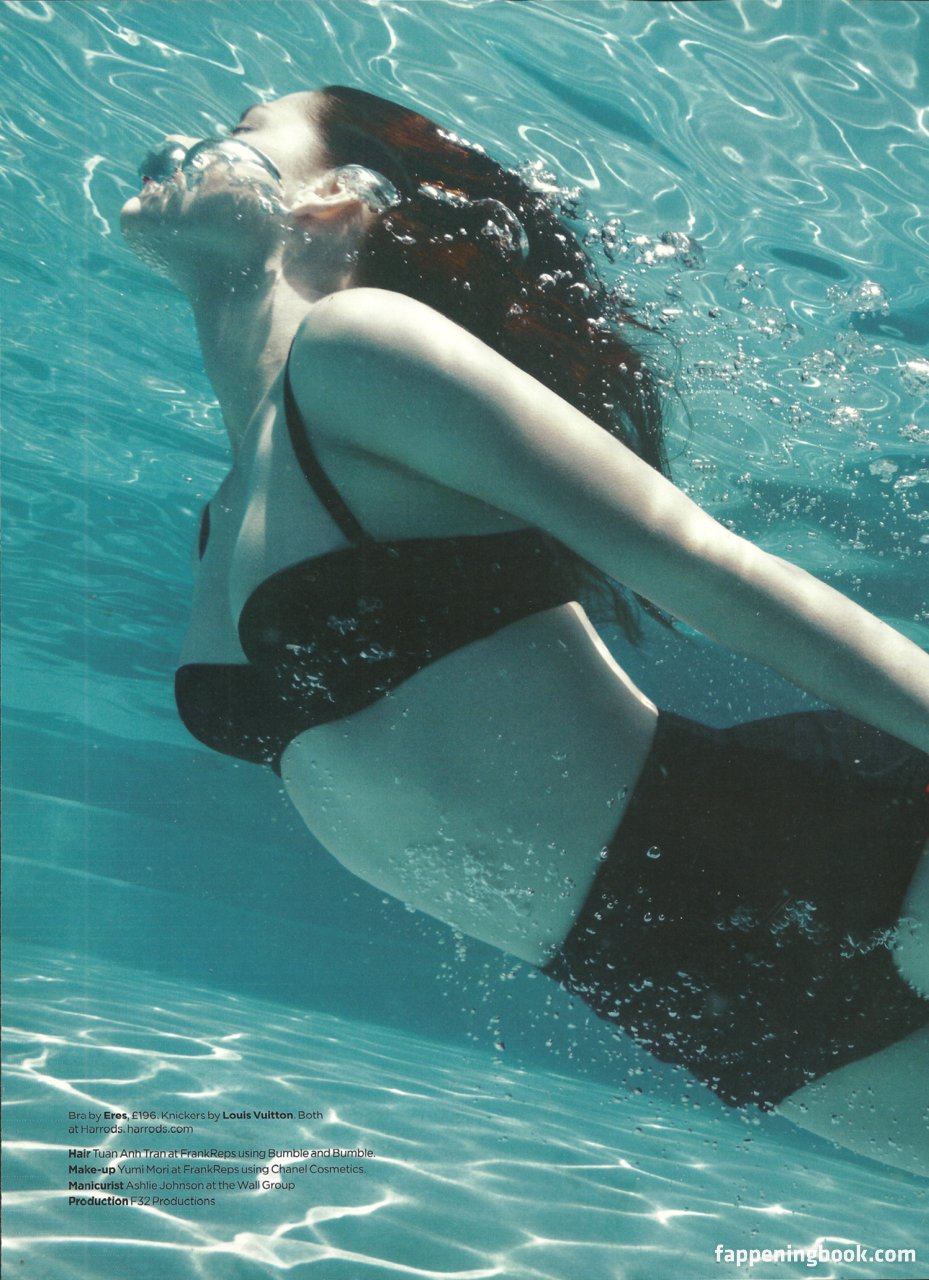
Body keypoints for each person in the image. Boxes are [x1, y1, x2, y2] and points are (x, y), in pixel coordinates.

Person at [121, 87, 929, 1175]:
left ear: (335, 198)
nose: (185, 141)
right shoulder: (229, 505)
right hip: (672, 990)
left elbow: (710, 567)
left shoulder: (358, 346)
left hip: (813, 849)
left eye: (244, 127)